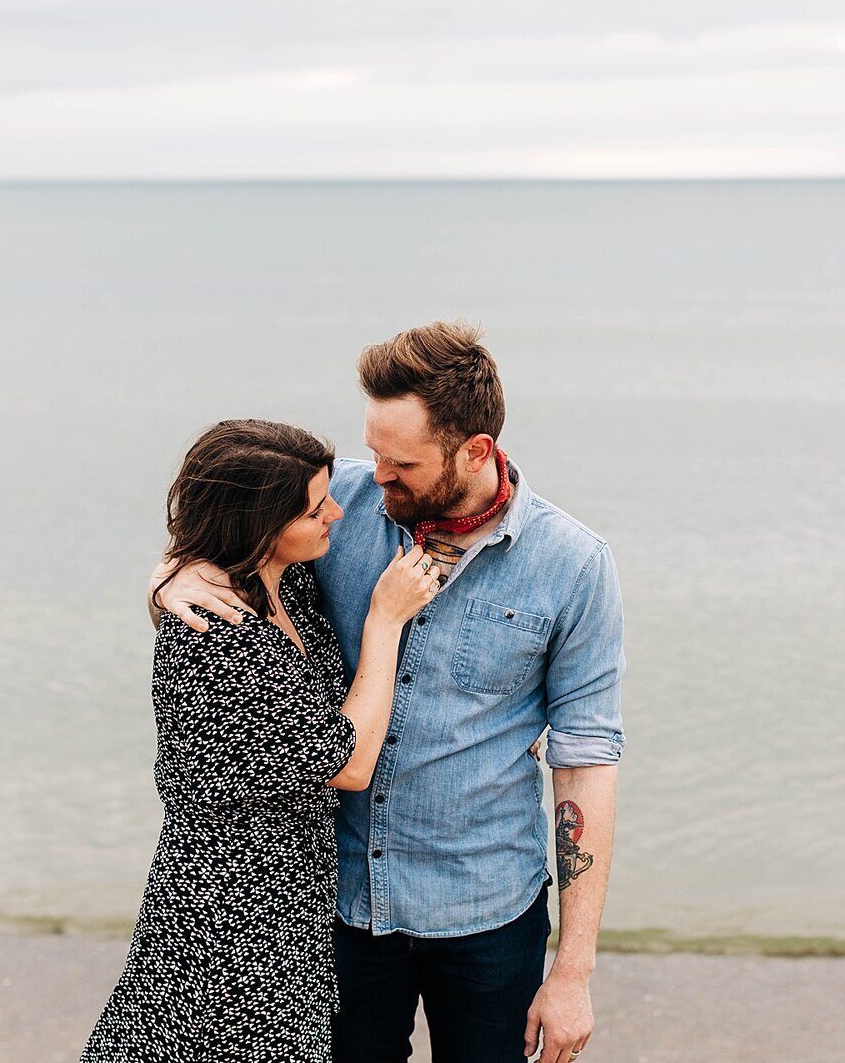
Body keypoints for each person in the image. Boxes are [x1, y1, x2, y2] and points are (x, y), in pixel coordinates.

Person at [154, 324, 623, 1063]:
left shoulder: (573, 564)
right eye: (373, 451)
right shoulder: (330, 503)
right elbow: (228, 534)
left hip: (488, 910)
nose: (377, 476)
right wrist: (168, 574)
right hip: (338, 906)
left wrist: (573, 969)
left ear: (476, 449)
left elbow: (586, 760)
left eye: (402, 462)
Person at [82, 419, 446, 1063]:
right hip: (228, 919)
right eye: (314, 509)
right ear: (259, 526)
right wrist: (386, 619)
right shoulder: (216, 639)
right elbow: (351, 763)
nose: (336, 513)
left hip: (294, 902)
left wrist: (168, 567)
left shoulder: (286, 582)